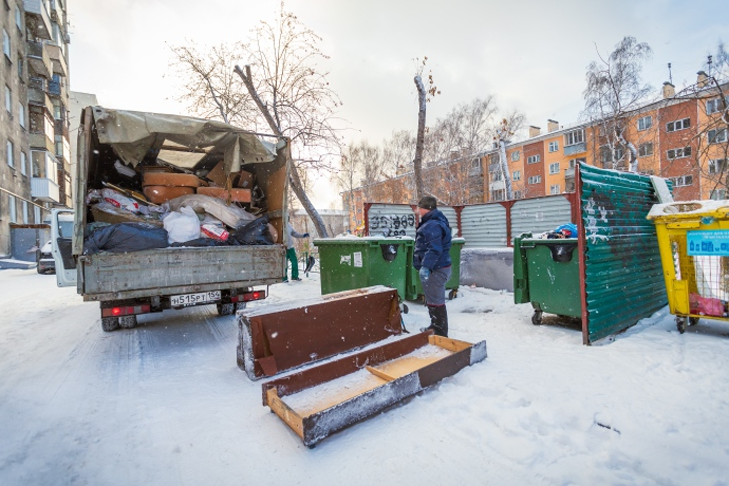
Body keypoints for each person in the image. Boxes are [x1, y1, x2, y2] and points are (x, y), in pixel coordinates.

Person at [413, 196, 452, 337]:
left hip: (436, 269)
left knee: (436, 301)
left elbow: (434, 249)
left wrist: (426, 266)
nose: (418, 211)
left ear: (426, 209)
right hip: (439, 266)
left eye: (419, 208)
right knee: (432, 299)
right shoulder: (434, 222)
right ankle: (435, 326)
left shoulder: (432, 225)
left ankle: (440, 332)